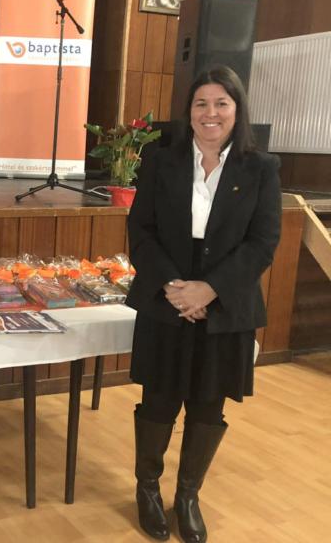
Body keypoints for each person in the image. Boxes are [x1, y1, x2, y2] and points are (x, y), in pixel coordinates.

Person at [125, 65, 282, 542]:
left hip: (226, 301)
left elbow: (263, 242)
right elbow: (141, 230)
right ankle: (148, 489)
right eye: (201, 103)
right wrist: (175, 286)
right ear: (189, 111)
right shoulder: (161, 160)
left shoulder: (261, 168)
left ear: (237, 109)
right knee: (159, 400)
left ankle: (188, 496)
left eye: (221, 103)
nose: (210, 113)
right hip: (166, 295)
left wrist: (209, 289)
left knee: (209, 405)